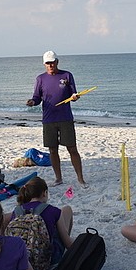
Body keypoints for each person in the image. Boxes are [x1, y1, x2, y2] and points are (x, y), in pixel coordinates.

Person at [26, 50, 87, 188]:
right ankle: (58, 178)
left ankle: (80, 179)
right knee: (53, 150)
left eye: (52, 62)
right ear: (44, 64)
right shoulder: (40, 79)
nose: (50, 65)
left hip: (65, 118)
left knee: (72, 148)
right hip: (48, 119)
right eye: (48, 63)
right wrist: (32, 102)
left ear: (57, 62)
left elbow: (74, 94)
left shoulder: (67, 75)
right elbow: (36, 98)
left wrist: (75, 97)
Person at [8, 176, 74, 266]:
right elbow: (68, 244)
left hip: (21, 260)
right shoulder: (52, 210)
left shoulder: (17, 211)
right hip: (48, 259)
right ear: (44, 193)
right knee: (67, 210)